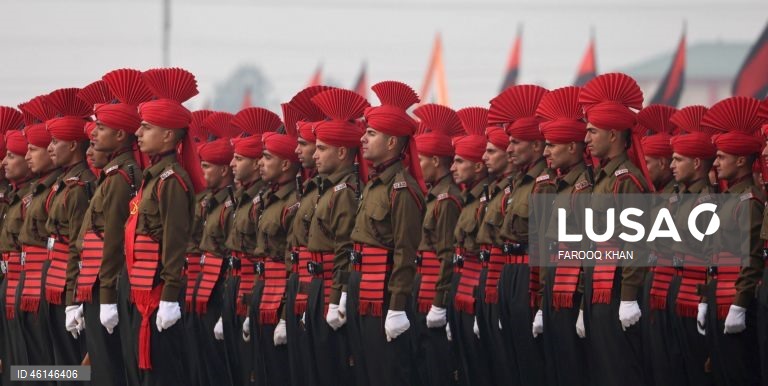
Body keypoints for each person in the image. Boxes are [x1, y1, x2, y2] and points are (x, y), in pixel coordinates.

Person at [126, 67, 204, 385]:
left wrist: (170, 296)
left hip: (158, 293)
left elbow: (174, 242)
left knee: (163, 374)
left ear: (169, 135)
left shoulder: (172, 181)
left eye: (146, 127)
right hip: (143, 290)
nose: (139, 134)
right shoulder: (154, 177)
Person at [347, 80, 425, 386]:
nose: (363, 139)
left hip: (384, 294)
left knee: (387, 373)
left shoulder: (402, 189)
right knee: (365, 371)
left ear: (392, 142)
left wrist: (396, 308)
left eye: (371, 133)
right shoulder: (374, 184)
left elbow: (406, 252)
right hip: (363, 287)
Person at [76, 73, 149, 386]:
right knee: (59, 369)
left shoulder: (121, 178)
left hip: (107, 285)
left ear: (121, 136)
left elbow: (114, 241)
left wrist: (106, 297)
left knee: (106, 372)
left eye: (102, 128)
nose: (94, 136)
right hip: (90, 283)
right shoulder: (111, 176)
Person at [579, 73, 651, 386]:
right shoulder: (604, 179)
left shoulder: (627, 181)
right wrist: (584, 302)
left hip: (617, 287)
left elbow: (636, 242)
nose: (586, 139)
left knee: (621, 371)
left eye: (592, 132)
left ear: (612, 134)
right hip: (599, 288)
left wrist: (629, 297)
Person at [306, 87, 370, 386]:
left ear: (342, 152)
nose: (312, 154)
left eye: (321, 148)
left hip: (332, 284)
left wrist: (337, 298)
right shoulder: (328, 189)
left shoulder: (344, 193)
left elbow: (344, 249)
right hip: (319, 284)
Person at [700, 96, 765, 386]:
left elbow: (750, 259)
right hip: (718, 298)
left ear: (741, 160)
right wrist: (706, 299)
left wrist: (739, 305)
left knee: (739, 373)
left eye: (722, 157)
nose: (716, 162)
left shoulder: (748, 201)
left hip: (734, 302)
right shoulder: (728, 199)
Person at [493, 84, 554, 386]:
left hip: (530, 275)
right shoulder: (517, 182)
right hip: (511, 272)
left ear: (536, 146)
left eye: (516, 142)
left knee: (532, 360)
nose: (509, 149)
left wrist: (541, 301)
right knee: (512, 358)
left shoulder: (543, 183)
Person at [536, 86, 592, 386]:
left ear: (572, 147)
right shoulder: (560, 187)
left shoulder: (584, 187)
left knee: (574, 370)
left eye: (551, 145)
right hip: (555, 291)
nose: (545, 152)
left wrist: (583, 304)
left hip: (573, 293)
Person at [224, 106, 282, 385]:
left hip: (262, 289)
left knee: (259, 370)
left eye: (238, 158)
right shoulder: (243, 199)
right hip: (241, 288)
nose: (231, 165)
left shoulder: (263, 201)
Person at [283, 85, 334, 386]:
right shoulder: (311, 189)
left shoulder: (337, 192)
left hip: (324, 290)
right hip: (303, 287)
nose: (299, 151)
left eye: (307, 144)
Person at [412, 103, 464, 386]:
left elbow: (447, 256)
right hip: (422, 291)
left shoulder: (446, 200)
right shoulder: (434, 196)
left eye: (420, 159)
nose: (416, 166)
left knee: (437, 368)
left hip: (434, 293)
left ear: (434, 160)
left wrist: (439, 303)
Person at [635, 104, 687, 385]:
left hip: (671, 288)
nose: (644, 168)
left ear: (664, 164)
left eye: (649, 162)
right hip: (651, 286)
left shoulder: (677, 199)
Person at [667, 105, 716, 386]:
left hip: (695, 295)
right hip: (676, 287)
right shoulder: (679, 199)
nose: (672, 165)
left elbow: (713, 259)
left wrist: (705, 303)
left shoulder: (708, 202)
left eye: (678, 159)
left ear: (697, 163)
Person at [17, 95, 65, 376]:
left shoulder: (61, 190)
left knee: (58, 367)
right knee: (26, 365)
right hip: (30, 282)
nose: (25, 156)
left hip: (51, 284)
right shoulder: (35, 193)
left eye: (32, 149)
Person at [190, 112, 238, 386]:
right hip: (201, 284)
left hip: (219, 289)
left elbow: (231, 254)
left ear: (223, 170)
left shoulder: (229, 207)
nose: (201, 171)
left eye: (207, 166)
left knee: (218, 365)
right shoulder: (207, 202)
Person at [251, 127, 300, 386]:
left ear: (284, 164)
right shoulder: (268, 198)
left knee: (280, 372)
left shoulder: (292, 203)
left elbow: (292, 261)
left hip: (281, 295)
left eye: (267, 157)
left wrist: (284, 316)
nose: (261, 162)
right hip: (263, 292)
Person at [450, 107, 494, 386]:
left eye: (459, 161)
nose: (452, 168)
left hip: (479, 290)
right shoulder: (469, 200)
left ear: (478, 166)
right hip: (463, 288)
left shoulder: (487, 200)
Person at [0, 114, 34, 385]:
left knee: (50, 365)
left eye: (12, 156)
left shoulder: (31, 198)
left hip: (38, 285)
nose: (4, 162)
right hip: (16, 283)